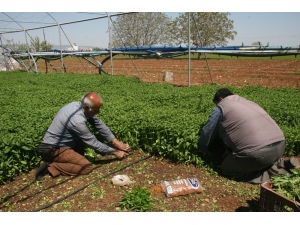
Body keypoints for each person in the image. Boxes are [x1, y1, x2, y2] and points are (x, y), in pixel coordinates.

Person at [198, 88, 300, 184]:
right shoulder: (248, 102)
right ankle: (282, 162)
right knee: (260, 155)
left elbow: (208, 130)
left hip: (258, 153)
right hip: (281, 146)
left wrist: (203, 148)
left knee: (226, 168)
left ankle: (274, 173)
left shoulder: (221, 107)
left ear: (220, 99)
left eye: (216, 103)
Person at [35, 92, 131, 180]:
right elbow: (92, 142)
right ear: (86, 107)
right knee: (86, 167)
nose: (98, 112)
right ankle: (50, 165)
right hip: (54, 149)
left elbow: (99, 124)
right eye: (96, 110)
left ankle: (60, 160)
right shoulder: (77, 120)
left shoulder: (76, 105)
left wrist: (115, 142)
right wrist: (115, 152)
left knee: (80, 155)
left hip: (63, 144)